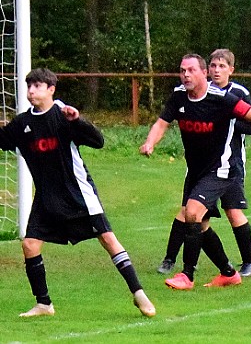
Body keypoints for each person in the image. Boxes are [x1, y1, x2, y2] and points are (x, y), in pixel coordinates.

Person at [0, 68, 155, 318]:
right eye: (29, 86)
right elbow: (3, 140)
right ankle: (44, 304)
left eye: (37, 86)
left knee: (108, 239)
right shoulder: (23, 123)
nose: (31, 91)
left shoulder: (64, 116)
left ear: (51, 90)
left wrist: (78, 121)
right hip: (47, 198)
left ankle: (139, 294)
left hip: (78, 194)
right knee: (29, 245)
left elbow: (98, 141)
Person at [140, 54, 251, 290]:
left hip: (221, 169)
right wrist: (151, 142)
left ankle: (187, 275)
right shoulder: (179, 96)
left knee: (192, 212)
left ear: (204, 73)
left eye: (191, 70)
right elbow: (162, 122)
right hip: (196, 171)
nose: (186, 75)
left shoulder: (222, 99)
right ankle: (228, 272)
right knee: (200, 224)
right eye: (182, 70)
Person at [157, 49, 251, 277]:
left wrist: (223, 121)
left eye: (221, 66)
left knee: (232, 211)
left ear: (231, 70)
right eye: (213, 66)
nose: (216, 70)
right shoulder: (191, 94)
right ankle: (170, 259)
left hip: (229, 164)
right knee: (190, 213)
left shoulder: (237, 94)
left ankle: (249, 262)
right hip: (201, 166)